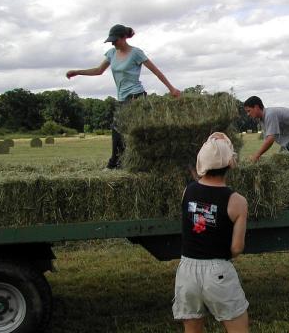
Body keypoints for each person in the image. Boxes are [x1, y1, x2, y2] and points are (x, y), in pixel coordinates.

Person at [66, 24, 181, 169]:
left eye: (115, 40)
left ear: (124, 38)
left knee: (117, 129)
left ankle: (114, 164)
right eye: (111, 41)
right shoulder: (111, 53)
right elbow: (98, 70)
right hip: (121, 98)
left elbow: (156, 71)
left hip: (136, 97)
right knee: (123, 131)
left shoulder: (136, 53)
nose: (113, 43)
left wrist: (172, 89)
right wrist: (77, 72)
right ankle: (124, 163)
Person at [173, 132, 249, 333]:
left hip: (186, 271)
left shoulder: (186, 192)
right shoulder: (237, 201)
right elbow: (237, 248)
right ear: (230, 164)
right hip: (218, 272)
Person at [243, 96, 289, 162]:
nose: (248, 114)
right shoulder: (262, 120)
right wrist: (259, 155)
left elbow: (270, 139)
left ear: (256, 107)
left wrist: (257, 155)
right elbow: (267, 139)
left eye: (249, 111)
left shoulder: (270, 115)